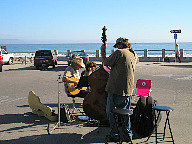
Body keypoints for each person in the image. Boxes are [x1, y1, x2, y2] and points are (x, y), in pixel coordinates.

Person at [101, 37, 139, 141]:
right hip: (128, 89)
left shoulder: (119, 53)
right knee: (125, 113)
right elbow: (136, 60)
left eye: (118, 45)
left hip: (115, 88)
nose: (117, 47)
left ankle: (115, 134)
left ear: (120, 45)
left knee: (111, 112)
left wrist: (102, 51)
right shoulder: (133, 54)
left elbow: (106, 62)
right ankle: (128, 134)